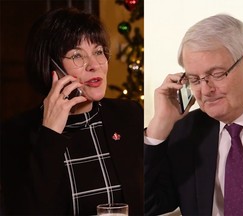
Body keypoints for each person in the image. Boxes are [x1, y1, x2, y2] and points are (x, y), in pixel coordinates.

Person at [1, 8, 143, 215]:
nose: (94, 65)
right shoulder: (14, 133)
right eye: (77, 55)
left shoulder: (129, 115)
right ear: (50, 66)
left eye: (98, 51)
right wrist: (50, 134)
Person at [144, 14, 243, 216]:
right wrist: (158, 127)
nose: (205, 89)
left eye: (217, 74)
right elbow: (148, 204)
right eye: (194, 79)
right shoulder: (187, 131)